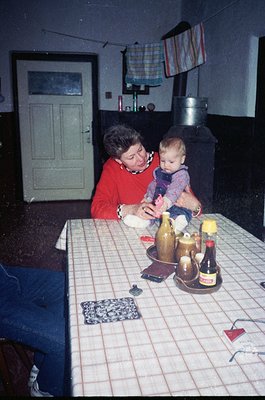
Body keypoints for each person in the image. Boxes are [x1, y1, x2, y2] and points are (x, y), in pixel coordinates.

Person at [91, 124, 201, 223]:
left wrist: (196, 207)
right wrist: (132, 209)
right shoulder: (112, 168)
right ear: (118, 160)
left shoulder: (165, 161)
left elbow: (195, 206)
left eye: (140, 149)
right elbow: (97, 209)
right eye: (131, 157)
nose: (140, 159)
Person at [0, 263, 67, 397]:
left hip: (3, 276)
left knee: (67, 286)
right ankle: (44, 390)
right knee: (68, 339)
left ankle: (43, 365)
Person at [142, 136, 192, 232]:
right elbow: (153, 186)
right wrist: (148, 198)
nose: (166, 165)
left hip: (176, 206)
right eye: (163, 161)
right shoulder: (159, 172)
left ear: (182, 159)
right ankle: (144, 221)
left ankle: (177, 223)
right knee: (148, 212)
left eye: (171, 161)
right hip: (159, 206)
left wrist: (166, 202)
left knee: (180, 215)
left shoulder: (181, 174)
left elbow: (175, 189)